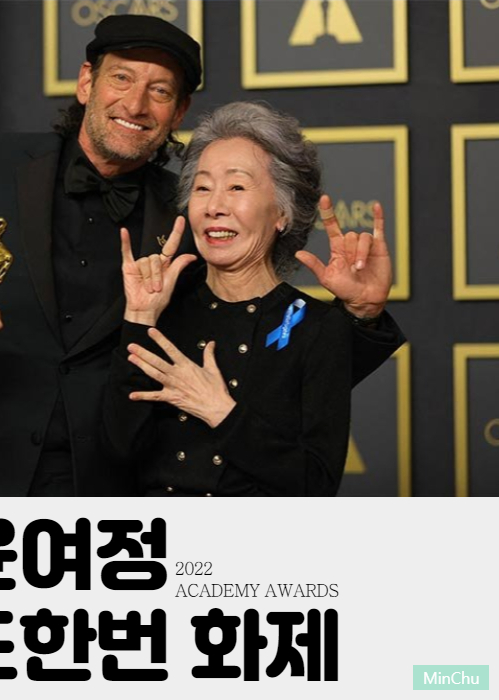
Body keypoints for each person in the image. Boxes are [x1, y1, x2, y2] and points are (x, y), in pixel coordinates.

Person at [0, 16, 402, 496]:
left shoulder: (192, 215)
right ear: (86, 81)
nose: (136, 104)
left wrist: (362, 316)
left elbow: (270, 364)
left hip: (105, 493)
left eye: (159, 91)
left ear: (179, 111)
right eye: (121, 78)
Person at [104, 101, 405, 496]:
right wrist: (139, 318)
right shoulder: (160, 307)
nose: (215, 207)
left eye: (237, 187)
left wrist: (220, 411)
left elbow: (315, 485)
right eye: (202, 188)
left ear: (282, 212)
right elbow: (115, 454)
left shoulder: (316, 326)